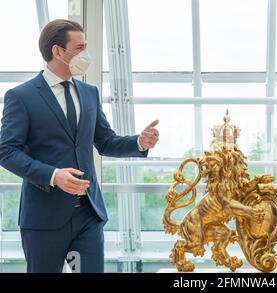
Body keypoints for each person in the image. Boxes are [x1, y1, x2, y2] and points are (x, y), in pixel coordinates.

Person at [0, 19, 160, 273]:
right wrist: (53, 175)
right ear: (57, 51)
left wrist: (139, 142)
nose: (86, 54)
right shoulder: (21, 96)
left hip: (88, 213)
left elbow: (105, 141)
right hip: (43, 216)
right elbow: (6, 151)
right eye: (80, 47)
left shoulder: (89, 93)